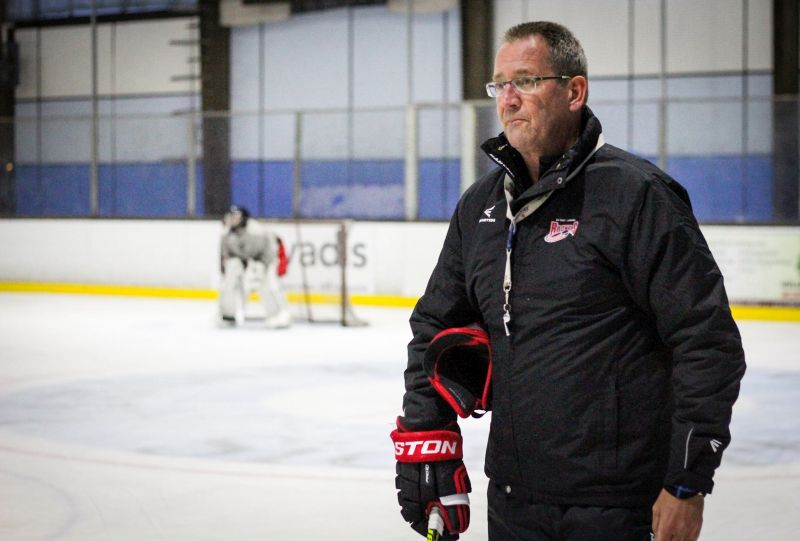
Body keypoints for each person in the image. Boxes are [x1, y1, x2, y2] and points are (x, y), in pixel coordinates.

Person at [391, 21, 746, 541]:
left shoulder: (636, 196)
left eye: (526, 82)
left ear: (574, 91)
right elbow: (435, 326)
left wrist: (687, 483)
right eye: (499, 85)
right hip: (512, 498)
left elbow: (706, 341)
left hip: (616, 504)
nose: (508, 100)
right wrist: (428, 440)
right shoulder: (481, 207)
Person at [219, 205, 291, 328]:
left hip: (264, 258)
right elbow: (225, 255)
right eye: (232, 216)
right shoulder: (226, 234)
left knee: (264, 281)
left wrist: (262, 265)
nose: (233, 220)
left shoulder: (256, 232)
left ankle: (277, 314)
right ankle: (227, 314)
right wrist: (226, 268)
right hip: (242, 258)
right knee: (230, 277)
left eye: (237, 217)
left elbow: (268, 250)